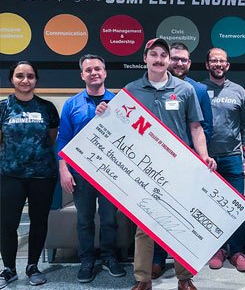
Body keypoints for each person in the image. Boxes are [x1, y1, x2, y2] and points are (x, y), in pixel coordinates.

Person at [97, 38, 216, 290]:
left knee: (183, 223)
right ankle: (143, 279)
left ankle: (184, 278)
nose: (159, 59)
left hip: (179, 169)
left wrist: (203, 156)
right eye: (154, 54)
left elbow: (196, 127)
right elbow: (117, 125)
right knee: (145, 226)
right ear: (145, 58)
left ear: (168, 60)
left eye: (164, 55)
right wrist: (104, 112)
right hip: (144, 170)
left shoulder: (184, 90)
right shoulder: (131, 90)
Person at [57, 54, 126, 283]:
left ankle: (109, 257)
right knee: (84, 219)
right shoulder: (71, 104)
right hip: (80, 174)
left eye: (98, 68)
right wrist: (64, 169)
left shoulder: (118, 103)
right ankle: (87, 259)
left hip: (109, 173)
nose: (94, 73)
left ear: (105, 73)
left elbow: (126, 139)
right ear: (82, 75)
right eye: (89, 70)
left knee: (109, 219)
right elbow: (63, 140)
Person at [151, 42, 213, 279]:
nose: (178, 63)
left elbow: (203, 126)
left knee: (182, 215)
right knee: (156, 213)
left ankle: (183, 267)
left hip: (186, 163)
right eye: (174, 58)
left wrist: (200, 157)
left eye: (183, 59)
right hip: (154, 163)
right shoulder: (145, 88)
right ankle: (156, 259)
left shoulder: (195, 90)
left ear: (189, 63)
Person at [0, 61, 59, 288]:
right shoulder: (3, 108)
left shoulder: (47, 108)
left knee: (38, 222)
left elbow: (50, 138)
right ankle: (9, 269)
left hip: (42, 175)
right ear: (11, 79)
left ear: (36, 80)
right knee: (7, 224)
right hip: (10, 174)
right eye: (20, 76)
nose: (25, 80)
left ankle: (33, 266)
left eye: (30, 76)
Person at [202, 47, 245, 272]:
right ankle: (217, 250)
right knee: (211, 207)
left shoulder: (239, 91)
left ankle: (237, 251)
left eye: (222, 61)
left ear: (228, 65)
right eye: (214, 61)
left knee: (236, 208)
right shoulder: (199, 90)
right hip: (206, 160)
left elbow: (244, 126)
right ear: (207, 65)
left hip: (233, 157)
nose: (218, 64)